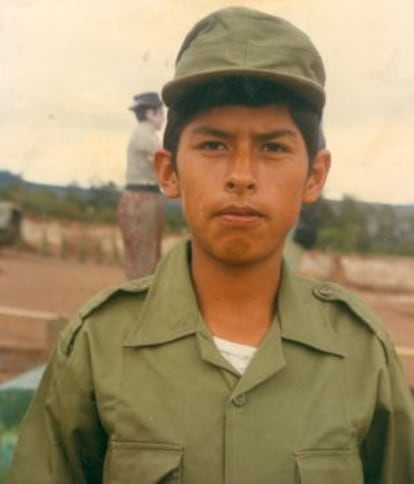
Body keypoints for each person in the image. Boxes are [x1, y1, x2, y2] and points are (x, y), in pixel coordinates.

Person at [9, 7, 414, 483]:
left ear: (315, 175)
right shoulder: (98, 344)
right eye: (213, 146)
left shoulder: (361, 353)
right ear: (167, 171)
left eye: (273, 147)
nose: (241, 176)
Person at [117, 91, 164, 279]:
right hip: (141, 198)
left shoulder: (146, 135)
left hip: (146, 196)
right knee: (143, 262)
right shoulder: (144, 136)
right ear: (151, 113)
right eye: (161, 112)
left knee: (146, 259)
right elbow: (164, 166)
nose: (163, 117)